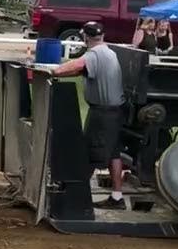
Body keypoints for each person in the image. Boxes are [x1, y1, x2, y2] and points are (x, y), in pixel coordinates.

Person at [52, 21, 127, 210]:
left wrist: (53, 71)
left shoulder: (95, 54)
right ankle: (117, 197)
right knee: (113, 153)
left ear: (86, 37)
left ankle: (76, 195)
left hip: (102, 113)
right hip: (114, 112)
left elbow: (76, 65)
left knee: (90, 151)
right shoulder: (108, 52)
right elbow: (81, 71)